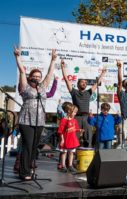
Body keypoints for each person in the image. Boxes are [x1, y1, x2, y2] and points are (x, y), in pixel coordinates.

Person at [14, 46, 57, 180]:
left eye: (39, 76)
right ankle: (24, 172)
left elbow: (50, 75)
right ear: (30, 77)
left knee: (34, 147)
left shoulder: (42, 87)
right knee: (27, 146)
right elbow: (22, 71)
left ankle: (30, 169)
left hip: (39, 120)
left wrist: (53, 60)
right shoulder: (25, 86)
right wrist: (17, 57)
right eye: (35, 76)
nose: (37, 78)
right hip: (26, 120)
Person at [61, 59, 106, 147]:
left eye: (85, 83)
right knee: (74, 138)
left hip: (87, 118)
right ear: (78, 84)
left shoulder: (88, 92)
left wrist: (103, 73)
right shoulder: (74, 92)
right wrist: (63, 68)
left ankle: (87, 158)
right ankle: (72, 157)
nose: (84, 84)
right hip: (76, 117)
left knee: (88, 138)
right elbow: (66, 81)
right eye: (82, 82)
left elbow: (97, 83)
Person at [57, 103, 83, 172]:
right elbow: (60, 131)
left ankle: (70, 165)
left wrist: (79, 130)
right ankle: (63, 166)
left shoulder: (74, 120)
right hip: (66, 139)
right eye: (74, 112)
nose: (75, 114)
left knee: (71, 152)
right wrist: (62, 139)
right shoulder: (63, 120)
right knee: (64, 153)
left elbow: (75, 128)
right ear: (69, 111)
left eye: (75, 112)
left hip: (72, 139)